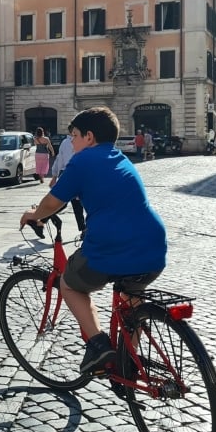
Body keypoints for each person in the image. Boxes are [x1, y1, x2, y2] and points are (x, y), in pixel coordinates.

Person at [19, 107, 167, 375]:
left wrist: (34, 215)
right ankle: (127, 365)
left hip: (112, 248)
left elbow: (53, 200)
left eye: (74, 135)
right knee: (132, 303)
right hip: (153, 246)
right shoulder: (120, 158)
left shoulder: (84, 160)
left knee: (70, 285)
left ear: (89, 137)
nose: (71, 142)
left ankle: (99, 345)